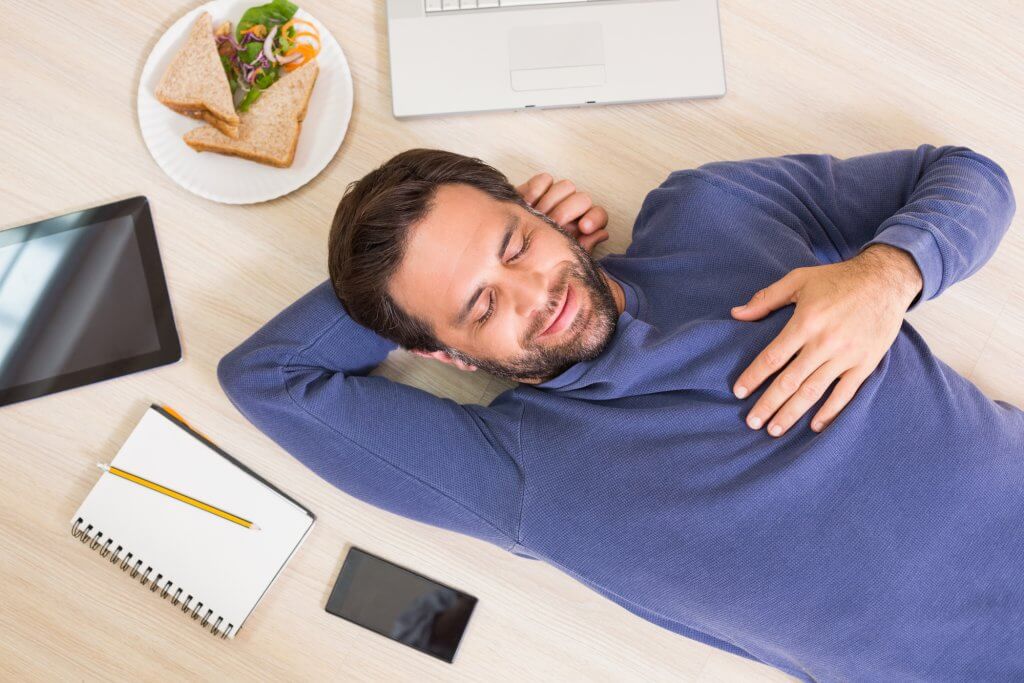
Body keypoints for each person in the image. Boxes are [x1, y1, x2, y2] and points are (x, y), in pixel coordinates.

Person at [218, 145, 1021, 681]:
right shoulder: (521, 468)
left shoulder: (712, 211)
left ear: (539, 209)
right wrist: (400, 276)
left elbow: (966, 175)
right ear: (449, 356)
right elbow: (265, 375)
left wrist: (889, 274)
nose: (540, 293)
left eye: (514, 244)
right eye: (481, 304)